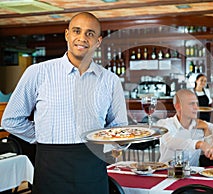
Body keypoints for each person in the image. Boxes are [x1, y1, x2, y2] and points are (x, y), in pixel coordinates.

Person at [1, 12, 128, 194]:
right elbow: (11, 119)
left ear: (98, 42)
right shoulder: (38, 73)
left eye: (90, 33)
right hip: (50, 168)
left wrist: (124, 141)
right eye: (77, 31)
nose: (82, 38)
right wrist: (43, 136)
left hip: (93, 167)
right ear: (67, 34)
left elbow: (119, 127)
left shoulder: (110, 80)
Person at [156, 89, 213, 166]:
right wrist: (199, 144)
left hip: (193, 174)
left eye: (196, 104)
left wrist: (207, 128)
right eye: (191, 104)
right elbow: (170, 142)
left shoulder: (202, 124)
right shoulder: (164, 124)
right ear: (178, 106)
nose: (196, 107)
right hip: (166, 172)